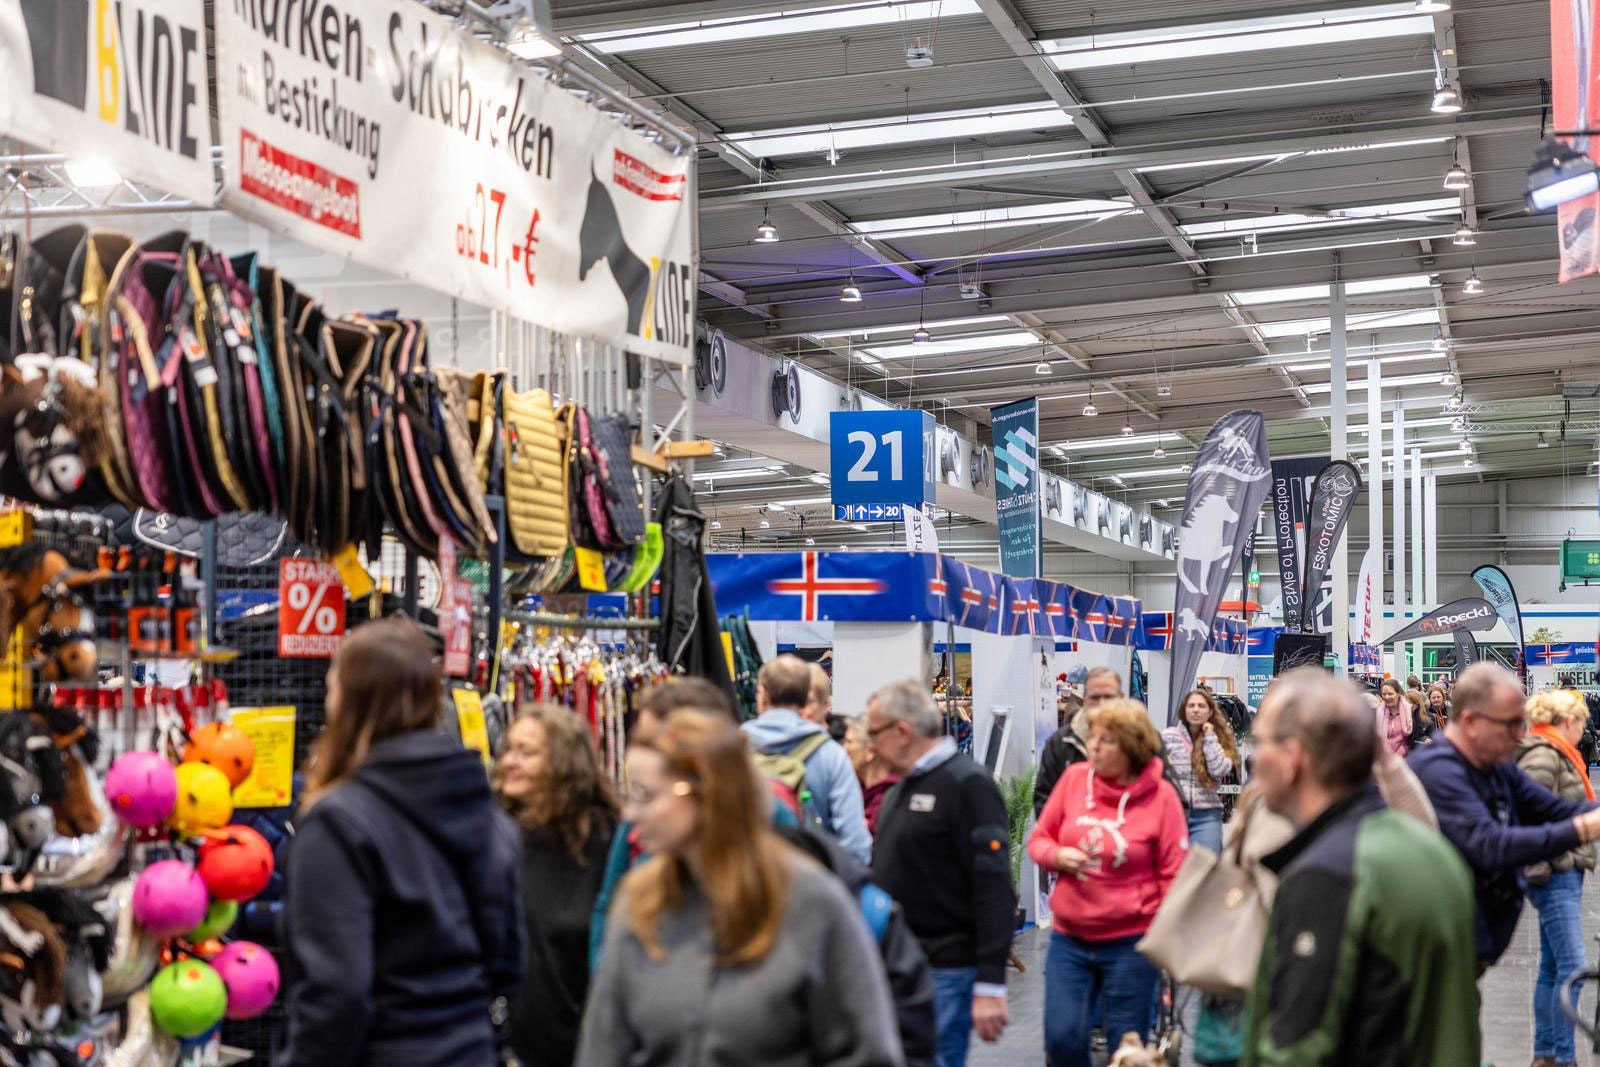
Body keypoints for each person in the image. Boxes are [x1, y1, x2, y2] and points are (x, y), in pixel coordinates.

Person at [575, 710, 902, 1067]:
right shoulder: (639, 904)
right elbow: (603, 1050)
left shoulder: (812, 903)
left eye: (645, 794)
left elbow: (868, 1053)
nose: (630, 815)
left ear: (703, 792)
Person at [279, 617, 524, 1066]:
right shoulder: (483, 809)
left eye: (333, 687)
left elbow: (336, 996)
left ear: (350, 702)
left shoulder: (337, 826)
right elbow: (509, 962)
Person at [1243, 668, 1478, 1066]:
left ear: (1293, 758)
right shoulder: (1432, 852)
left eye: (1261, 742)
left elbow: (1296, 1050)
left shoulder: (1326, 876)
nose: (1254, 757)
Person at [1028, 698, 1186, 1067]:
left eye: (1107, 740)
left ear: (1132, 748)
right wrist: (1057, 856)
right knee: (1062, 1039)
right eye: (1093, 737)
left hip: (1131, 941)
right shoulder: (1072, 780)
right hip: (1070, 938)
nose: (1094, 746)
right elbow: (1040, 839)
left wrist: (1164, 938)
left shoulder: (1161, 797)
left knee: (1125, 1046)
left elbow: (1173, 872)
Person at [1410, 662, 1600, 967]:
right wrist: (1581, 829)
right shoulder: (1439, 771)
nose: (1519, 735)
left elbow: (1551, 808)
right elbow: (1489, 844)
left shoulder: (1496, 764)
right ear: (1471, 721)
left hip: (1469, 942)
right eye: (1510, 725)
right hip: (1432, 949)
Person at [869, 679, 1013, 1067]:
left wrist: (989, 982)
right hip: (899, 966)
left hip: (945, 969)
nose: (870, 744)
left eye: (874, 733)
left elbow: (994, 887)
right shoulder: (900, 789)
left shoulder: (968, 785)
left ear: (902, 732)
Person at [497, 705, 619, 1067]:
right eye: (510, 749)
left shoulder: (603, 840)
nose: (511, 761)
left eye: (528, 752)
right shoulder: (493, 831)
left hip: (578, 1042)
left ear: (565, 762)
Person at [590, 676, 735, 970]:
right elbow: (608, 906)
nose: (630, 812)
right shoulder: (637, 829)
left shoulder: (774, 836)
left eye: (656, 742)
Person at [1517, 689, 1598, 1067]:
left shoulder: (1551, 752)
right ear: (1568, 721)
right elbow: (1533, 812)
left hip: (1560, 869)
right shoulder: (1544, 754)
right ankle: (1564, 1057)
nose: (1584, 729)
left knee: (1552, 967)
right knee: (1572, 967)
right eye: (1581, 722)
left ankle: (1546, 1054)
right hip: (1556, 871)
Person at [743, 655, 872, 864]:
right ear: (805, 698)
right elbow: (856, 845)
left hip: (745, 883)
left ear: (762, 694)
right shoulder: (831, 754)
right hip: (810, 881)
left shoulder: (731, 748)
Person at [1034, 666, 1122, 818]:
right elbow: (1044, 799)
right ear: (1085, 698)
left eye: (1108, 697)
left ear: (1120, 697)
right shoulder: (1060, 743)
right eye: (1095, 697)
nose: (1101, 703)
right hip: (1072, 836)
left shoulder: (1141, 741)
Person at [1160, 689, 1241, 854]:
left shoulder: (1220, 738)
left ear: (1210, 711)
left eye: (1201, 706)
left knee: (1206, 866)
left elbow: (1219, 770)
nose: (1196, 709)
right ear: (1184, 710)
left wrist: (1209, 737)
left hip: (1207, 813)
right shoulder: (1169, 737)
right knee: (1175, 865)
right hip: (1175, 812)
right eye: (1191, 705)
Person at [842, 714, 899, 836]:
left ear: (870, 752)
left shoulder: (891, 797)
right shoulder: (854, 789)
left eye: (849, 742)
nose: (844, 749)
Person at [1377, 678, 1413, 756]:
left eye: (1390, 694)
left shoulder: (1410, 711)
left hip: (1405, 760)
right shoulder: (1378, 712)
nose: (1386, 697)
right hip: (1384, 759)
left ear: (1398, 693)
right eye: (1384, 694)